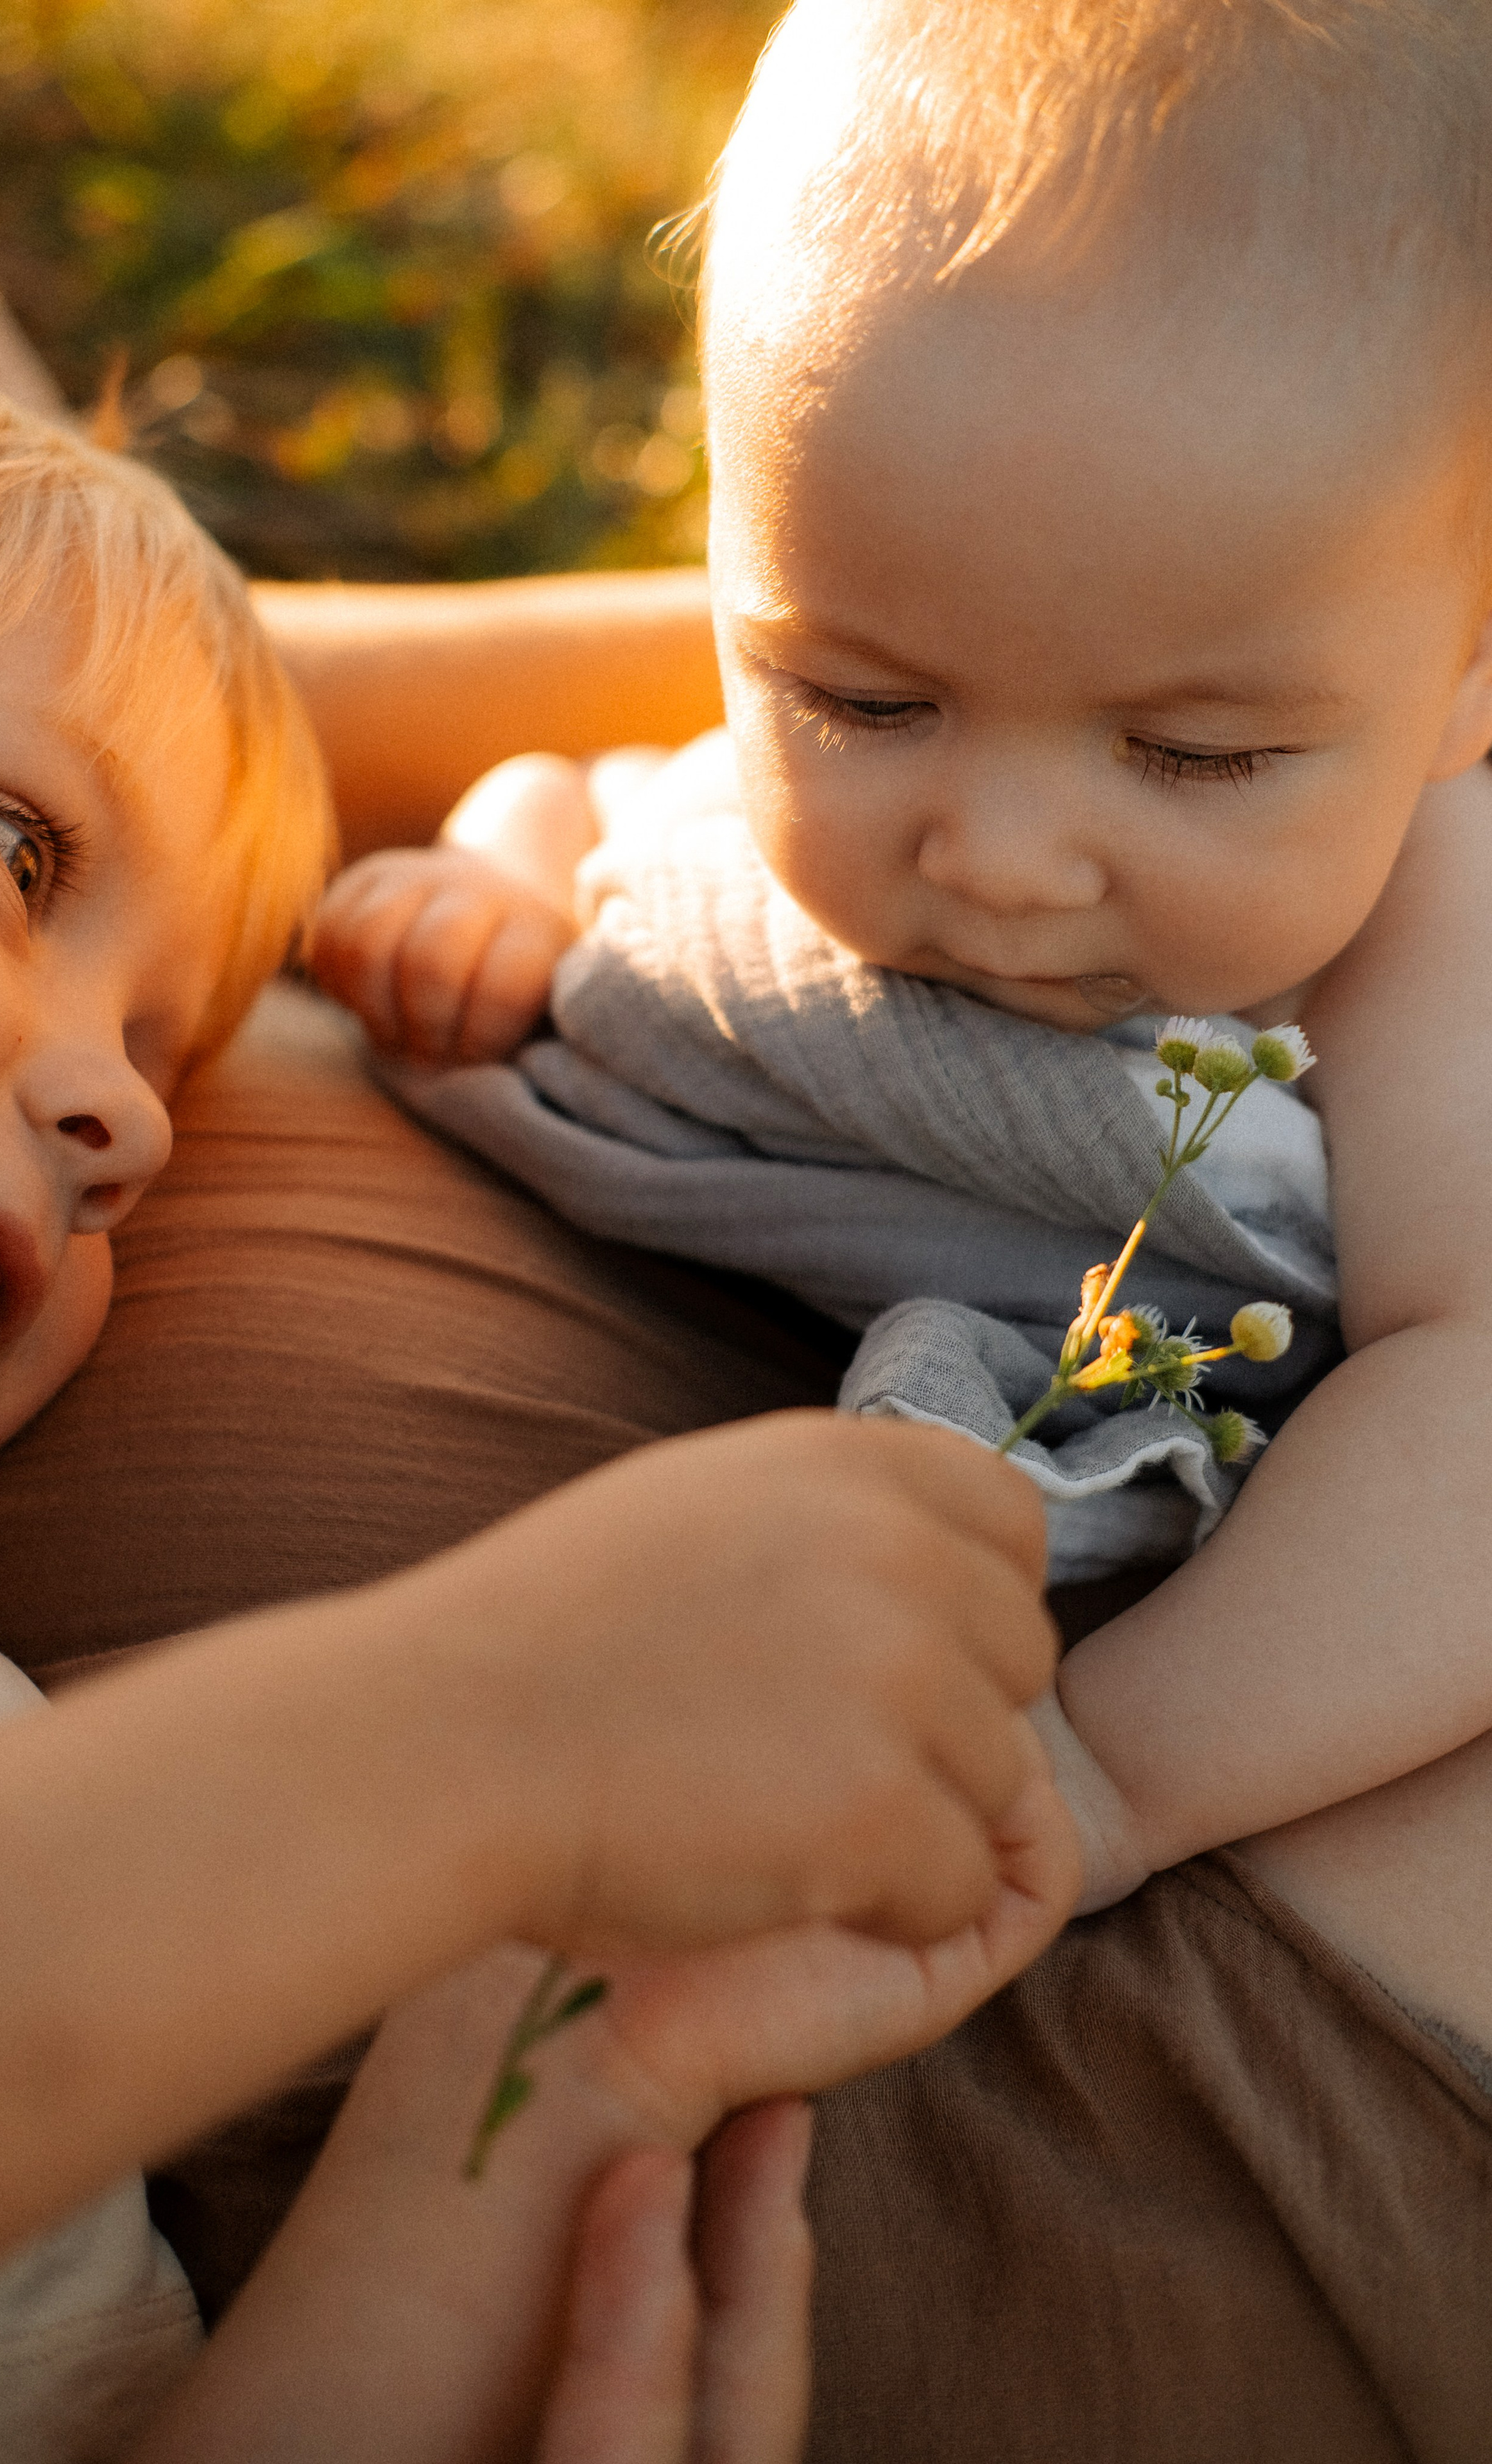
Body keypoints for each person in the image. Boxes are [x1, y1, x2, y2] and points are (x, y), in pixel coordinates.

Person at [309, 0, 1492, 2447]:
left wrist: (1115, 1778)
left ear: (1470, 671)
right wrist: (491, 888)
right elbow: (637, 832)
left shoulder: (1431, 924)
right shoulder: (932, 661)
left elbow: (1480, 1402)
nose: (999, 856)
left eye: (1194, 754)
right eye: (855, 696)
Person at [0, 309, 1079, 2460]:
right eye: (22, 852)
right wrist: (496, 1733)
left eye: (165, 1056)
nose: (129, 1131)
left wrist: (521, 2058)